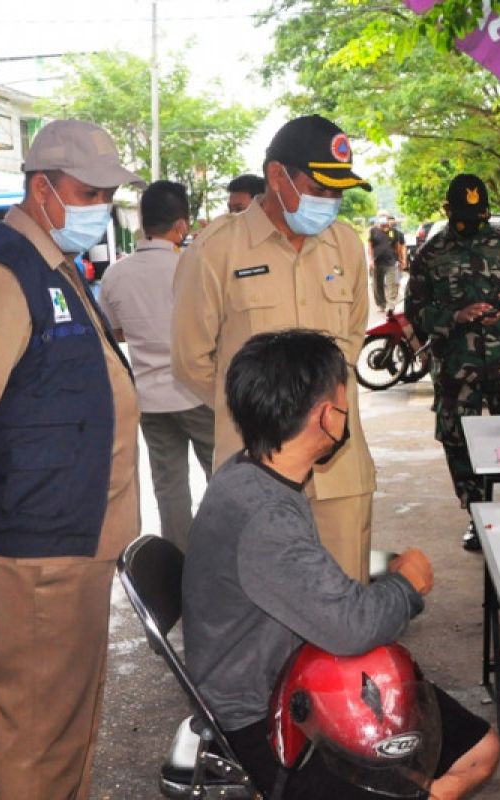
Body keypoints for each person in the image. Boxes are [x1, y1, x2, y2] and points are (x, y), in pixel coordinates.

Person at [0, 119, 142, 799]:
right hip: (36, 547)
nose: (99, 203)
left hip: (66, 535)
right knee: (39, 738)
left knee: (64, 724)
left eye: (108, 191)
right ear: (42, 189)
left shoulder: (50, 263)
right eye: (88, 190)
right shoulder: (4, 271)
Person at [183, 329, 500, 799]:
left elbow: (307, 587)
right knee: (472, 754)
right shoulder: (266, 518)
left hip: (290, 676)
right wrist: (408, 584)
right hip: (268, 718)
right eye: (342, 398)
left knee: (477, 744)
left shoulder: (246, 474)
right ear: (325, 416)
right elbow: (351, 627)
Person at [171, 114, 376, 583]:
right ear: (277, 176)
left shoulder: (345, 246)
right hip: (255, 474)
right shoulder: (216, 250)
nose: (331, 202)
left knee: (343, 619)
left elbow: (353, 338)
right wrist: (263, 414)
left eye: (338, 192)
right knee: (261, 627)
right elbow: (190, 361)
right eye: (320, 189)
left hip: (340, 474)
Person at [405, 173, 500, 551]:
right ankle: (477, 517)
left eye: (479, 216)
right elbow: (414, 311)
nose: (473, 225)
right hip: (455, 370)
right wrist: (455, 317)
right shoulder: (430, 254)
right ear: (447, 211)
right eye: (464, 217)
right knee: (459, 443)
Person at [99, 180, 214, 552]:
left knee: (169, 487)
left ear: (142, 223)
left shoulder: (116, 274)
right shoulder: (195, 266)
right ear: (181, 225)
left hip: (149, 401)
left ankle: (180, 564)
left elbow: (113, 330)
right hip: (199, 393)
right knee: (224, 478)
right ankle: (224, 559)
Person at [368, 211, 406, 313]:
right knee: (377, 285)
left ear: (388, 218)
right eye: (381, 216)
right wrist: (371, 260)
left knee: (391, 284)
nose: (383, 218)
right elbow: (370, 246)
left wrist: (401, 260)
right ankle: (381, 304)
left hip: (391, 262)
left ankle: (391, 305)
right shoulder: (373, 231)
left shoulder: (394, 232)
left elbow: (399, 246)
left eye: (385, 217)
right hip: (377, 263)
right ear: (377, 218)